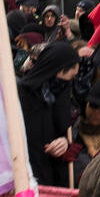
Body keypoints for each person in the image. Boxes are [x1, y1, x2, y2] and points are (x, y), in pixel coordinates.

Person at [18, 41, 82, 188]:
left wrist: (65, 143)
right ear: (58, 71)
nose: (71, 83)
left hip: (49, 181)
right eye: (71, 77)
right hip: (21, 181)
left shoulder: (61, 96)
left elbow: (64, 130)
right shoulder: (19, 95)